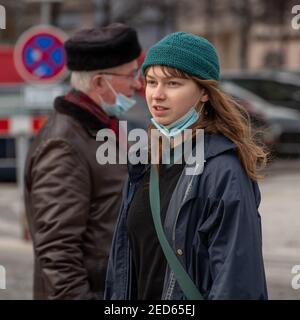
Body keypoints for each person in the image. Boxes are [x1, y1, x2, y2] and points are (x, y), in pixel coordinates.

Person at [105, 32, 268, 300]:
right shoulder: (141, 163)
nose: (157, 95)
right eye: (151, 82)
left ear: (204, 92)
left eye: (172, 83)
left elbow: (238, 283)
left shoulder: (223, 171)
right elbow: (125, 267)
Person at [24, 23, 142, 299]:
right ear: (100, 82)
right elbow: (57, 253)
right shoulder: (63, 145)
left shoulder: (100, 129)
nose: (137, 84)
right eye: (130, 74)